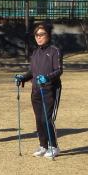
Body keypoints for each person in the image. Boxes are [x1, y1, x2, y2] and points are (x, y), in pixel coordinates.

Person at [14, 22, 63, 158]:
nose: (39, 37)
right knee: (39, 119)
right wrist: (22, 78)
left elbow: (59, 70)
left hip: (51, 89)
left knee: (47, 119)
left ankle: (54, 146)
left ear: (48, 35)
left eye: (42, 34)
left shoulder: (54, 51)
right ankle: (43, 146)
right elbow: (32, 72)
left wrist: (47, 78)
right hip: (36, 90)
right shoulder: (35, 53)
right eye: (36, 35)